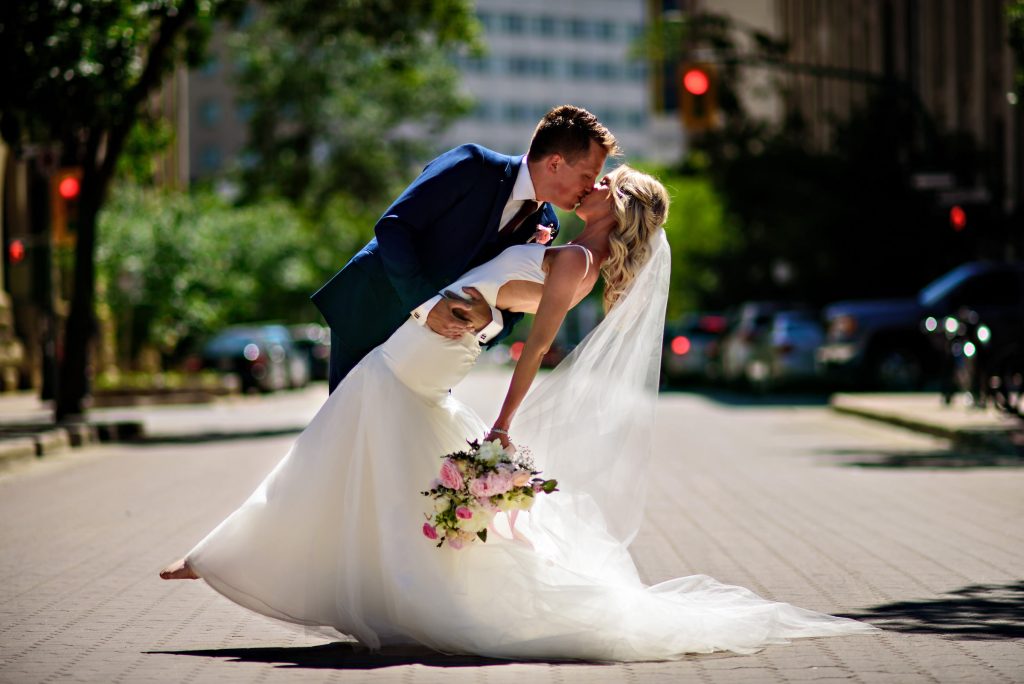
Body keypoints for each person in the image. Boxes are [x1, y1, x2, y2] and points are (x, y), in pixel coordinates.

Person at [160, 166, 877, 660]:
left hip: (425, 356)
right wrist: (480, 310)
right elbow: (500, 305)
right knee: (357, 446)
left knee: (338, 436)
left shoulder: (573, 264)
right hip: (427, 348)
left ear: (616, 208)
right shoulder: (563, 251)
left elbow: (534, 347)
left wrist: (502, 422)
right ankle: (266, 560)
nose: (591, 187)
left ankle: (221, 555)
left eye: (604, 186)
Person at [312, 104, 616, 392]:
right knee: (352, 435)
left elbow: (511, 304)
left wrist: (490, 322)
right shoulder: (473, 165)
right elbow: (394, 226)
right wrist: (427, 305)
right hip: (373, 313)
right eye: (588, 176)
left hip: (432, 352)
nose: (590, 187)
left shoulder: (548, 223)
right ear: (555, 163)